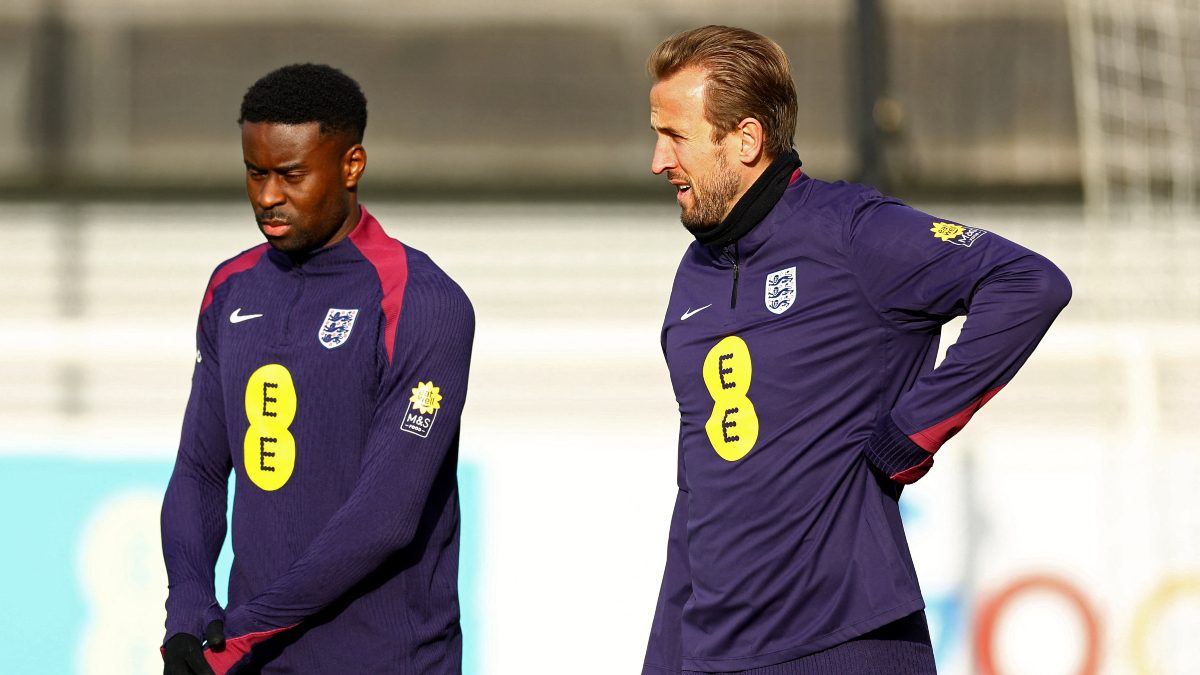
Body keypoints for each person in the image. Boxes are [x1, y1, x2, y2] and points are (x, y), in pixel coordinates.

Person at [642, 26, 1070, 675]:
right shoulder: (693, 275)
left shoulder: (852, 233)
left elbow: (1027, 283)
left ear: (747, 139)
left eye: (675, 135)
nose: (657, 158)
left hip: (847, 642)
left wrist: (909, 433)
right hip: (714, 653)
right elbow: (698, 492)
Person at [159, 63, 474, 674]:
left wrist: (241, 632)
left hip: (386, 660)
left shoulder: (423, 301)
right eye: (256, 173)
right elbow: (199, 469)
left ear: (351, 165)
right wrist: (188, 617)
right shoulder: (230, 288)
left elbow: (384, 518)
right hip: (251, 658)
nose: (268, 197)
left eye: (291, 175)